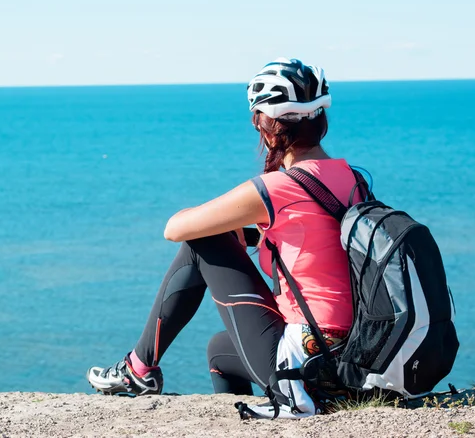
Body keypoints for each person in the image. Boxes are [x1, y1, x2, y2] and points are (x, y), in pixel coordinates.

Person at [87, 58, 364, 418]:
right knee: (219, 350)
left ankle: (137, 369)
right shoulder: (353, 179)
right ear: (321, 121)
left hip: (308, 363)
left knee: (203, 242)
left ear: (268, 128)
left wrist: (223, 223)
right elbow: (314, 236)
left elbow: (175, 229)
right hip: (353, 358)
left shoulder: (279, 187)